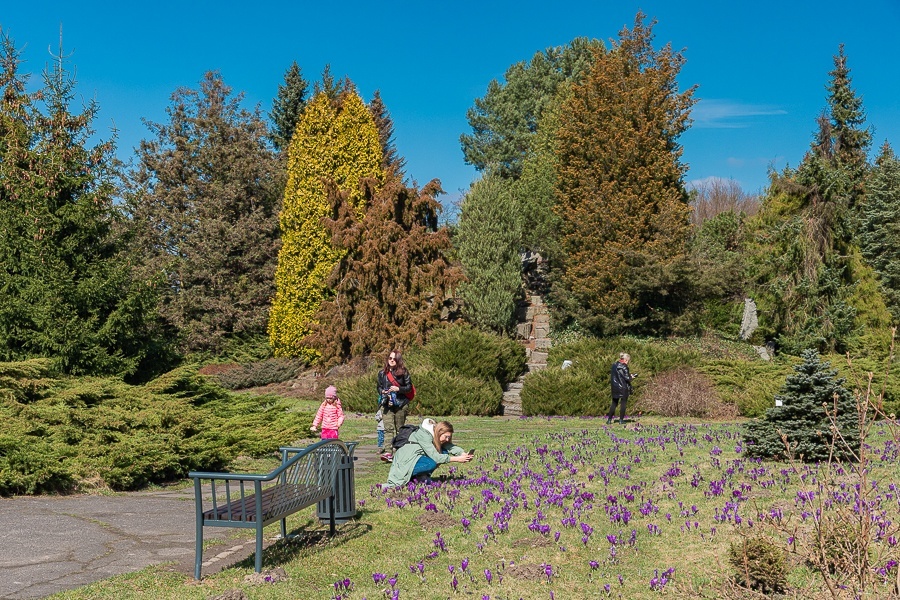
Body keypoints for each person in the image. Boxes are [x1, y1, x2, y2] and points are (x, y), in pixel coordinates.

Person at [386, 419, 472, 487]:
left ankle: (420, 476)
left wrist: (462, 453)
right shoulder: (424, 435)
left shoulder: (435, 433)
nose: (447, 440)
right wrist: (457, 459)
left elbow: (449, 446)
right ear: (439, 432)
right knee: (432, 462)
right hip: (405, 462)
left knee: (443, 452)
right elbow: (436, 457)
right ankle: (414, 477)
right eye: (446, 437)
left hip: (415, 458)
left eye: (449, 437)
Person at [377, 349, 413, 462]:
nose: (391, 361)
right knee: (388, 429)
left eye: (394, 359)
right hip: (387, 404)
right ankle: (388, 452)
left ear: (398, 360)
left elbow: (409, 388)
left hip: (400, 404)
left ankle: (399, 452)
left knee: (400, 429)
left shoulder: (404, 372)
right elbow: (378, 386)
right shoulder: (382, 373)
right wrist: (382, 391)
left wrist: (399, 389)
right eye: (390, 358)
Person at [608, 352, 637, 425]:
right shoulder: (624, 366)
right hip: (623, 387)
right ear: (626, 360)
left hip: (615, 387)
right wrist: (632, 377)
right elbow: (627, 378)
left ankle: (609, 420)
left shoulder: (614, 365)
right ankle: (621, 420)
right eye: (628, 361)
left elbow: (617, 376)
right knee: (623, 404)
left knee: (614, 403)